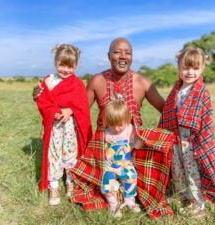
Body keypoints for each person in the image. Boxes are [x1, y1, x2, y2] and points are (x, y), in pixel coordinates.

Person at [68, 37, 176, 219]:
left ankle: (130, 193)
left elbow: (166, 111)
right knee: (99, 184)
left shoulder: (143, 82)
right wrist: (50, 100)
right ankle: (114, 194)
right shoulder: (97, 81)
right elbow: (80, 111)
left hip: (134, 148)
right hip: (104, 148)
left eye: (128, 53)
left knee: (145, 179)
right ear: (109, 55)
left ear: (132, 57)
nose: (123, 56)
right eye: (118, 52)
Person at [158, 46, 215, 217]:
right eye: (186, 67)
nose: (190, 72)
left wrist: (202, 142)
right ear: (179, 67)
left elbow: (206, 119)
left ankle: (199, 203)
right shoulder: (176, 90)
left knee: (193, 171)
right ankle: (183, 196)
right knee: (177, 169)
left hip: (192, 139)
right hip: (176, 137)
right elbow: (168, 112)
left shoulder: (202, 92)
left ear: (202, 68)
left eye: (195, 68)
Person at [35, 44, 92, 206]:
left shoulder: (78, 83)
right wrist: (54, 111)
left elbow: (82, 105)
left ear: (76, 65)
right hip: (54, 127)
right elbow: (42, 102)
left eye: (70, 66)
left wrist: (70, 110)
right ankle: (53, 186)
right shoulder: (48, 81)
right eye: (62, 65)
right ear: (55, 62)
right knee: (53, 154)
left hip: (70, 129)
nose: (65, 69)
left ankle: (70, 181)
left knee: (70, 154)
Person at [101, 100, 142, 217]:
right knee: (107, 182)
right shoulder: (105, 133)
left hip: (125, 163)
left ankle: (130, 200)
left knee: (131, 177)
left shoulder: (130, 129)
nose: (117, 129)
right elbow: (99, 148)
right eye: (112, 125)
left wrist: (137, 144)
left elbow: (135, 143)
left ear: (128, 119)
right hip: (109, 164)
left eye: (120, 125)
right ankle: (113, 204)